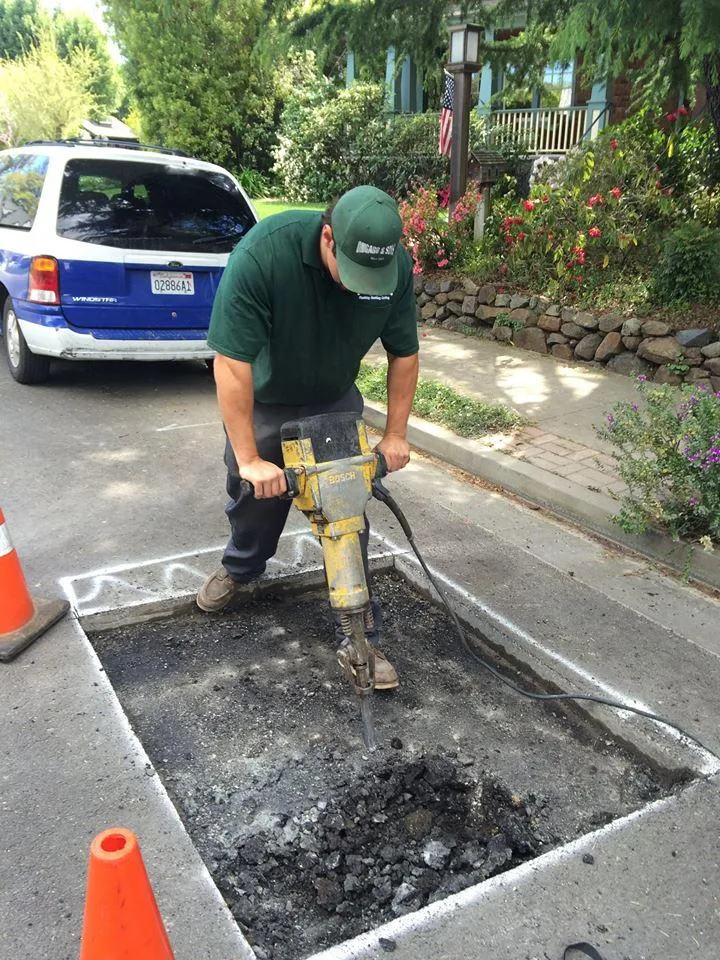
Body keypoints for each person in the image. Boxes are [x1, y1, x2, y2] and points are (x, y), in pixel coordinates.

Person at [196, 185, 420, 688]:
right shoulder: (264, 253)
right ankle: (243, 568)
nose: (364, 288)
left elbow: (404, 353)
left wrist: (395, 435)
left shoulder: (394, 269)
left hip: (333, 396)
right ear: (327, 237)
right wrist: (251, 459)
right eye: (353, 273)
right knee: (255, 498)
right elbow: (231, 364)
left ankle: (360, 634)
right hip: (267, 397)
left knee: (345, 506)